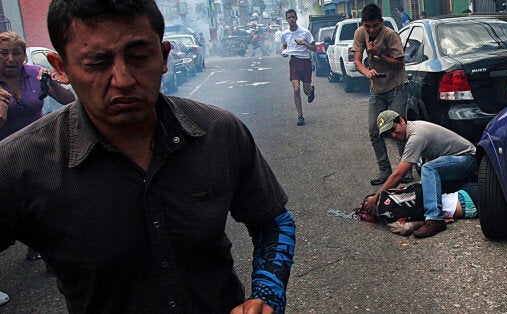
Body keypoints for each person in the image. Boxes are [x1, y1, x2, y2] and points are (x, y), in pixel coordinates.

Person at [0, 0, 296, 313]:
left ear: (164, 56)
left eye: (139, 57)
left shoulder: (220, 132)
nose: (124, 79)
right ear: (61, 69)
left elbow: (273, 220)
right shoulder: (19, 165)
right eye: (97, 62)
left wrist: (267, 294)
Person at [0, 31, 76, 263]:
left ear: (24, 56)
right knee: (14, 202)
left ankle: (43, 244)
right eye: (3, 53)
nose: (11, 59)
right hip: (4, 152)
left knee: (46, 197)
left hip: (37, 145)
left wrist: (52, 82)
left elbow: (69, 101)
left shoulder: (35, 74)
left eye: (16, 52)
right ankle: (28, 236)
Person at [363, 110, 477, 238]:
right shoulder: (414, 129)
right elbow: (430, 156)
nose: (393, 135)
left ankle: (435, 219)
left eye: (394, 129)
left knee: (428, 169)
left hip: (468, 160)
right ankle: (430, 213)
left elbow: (399, 174)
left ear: (401, 120)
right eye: (389, 134)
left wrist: (377, 198)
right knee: (425, 180)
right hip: (456, 163)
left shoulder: (416, 136)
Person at [353, 4, 413, 186]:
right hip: (377, 89)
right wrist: (366, 71)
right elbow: (357, 60)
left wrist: (379, 55)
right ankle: (385, 171)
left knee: (399, 129)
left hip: (396, 87)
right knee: (374, 129)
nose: (371, 30)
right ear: (363, 23)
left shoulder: (390, 35)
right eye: (367, 26)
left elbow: (399, 63)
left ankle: (406, 170)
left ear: (381, 22)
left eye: (375, 26)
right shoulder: (360, 34)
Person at [281, 8, 315, 126]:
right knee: (296, 89)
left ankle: (311, 91)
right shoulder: (285, 34)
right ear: (287, 19)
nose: (291, 19)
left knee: (306, 91)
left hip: (305, 62)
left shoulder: (305, 32)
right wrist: (284, 53)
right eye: (289, 17)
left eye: (293, 17)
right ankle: (300, 116)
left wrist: (304, 43)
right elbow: (284, 46)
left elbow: (314, 48)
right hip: (294, 62)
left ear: (296, 18)